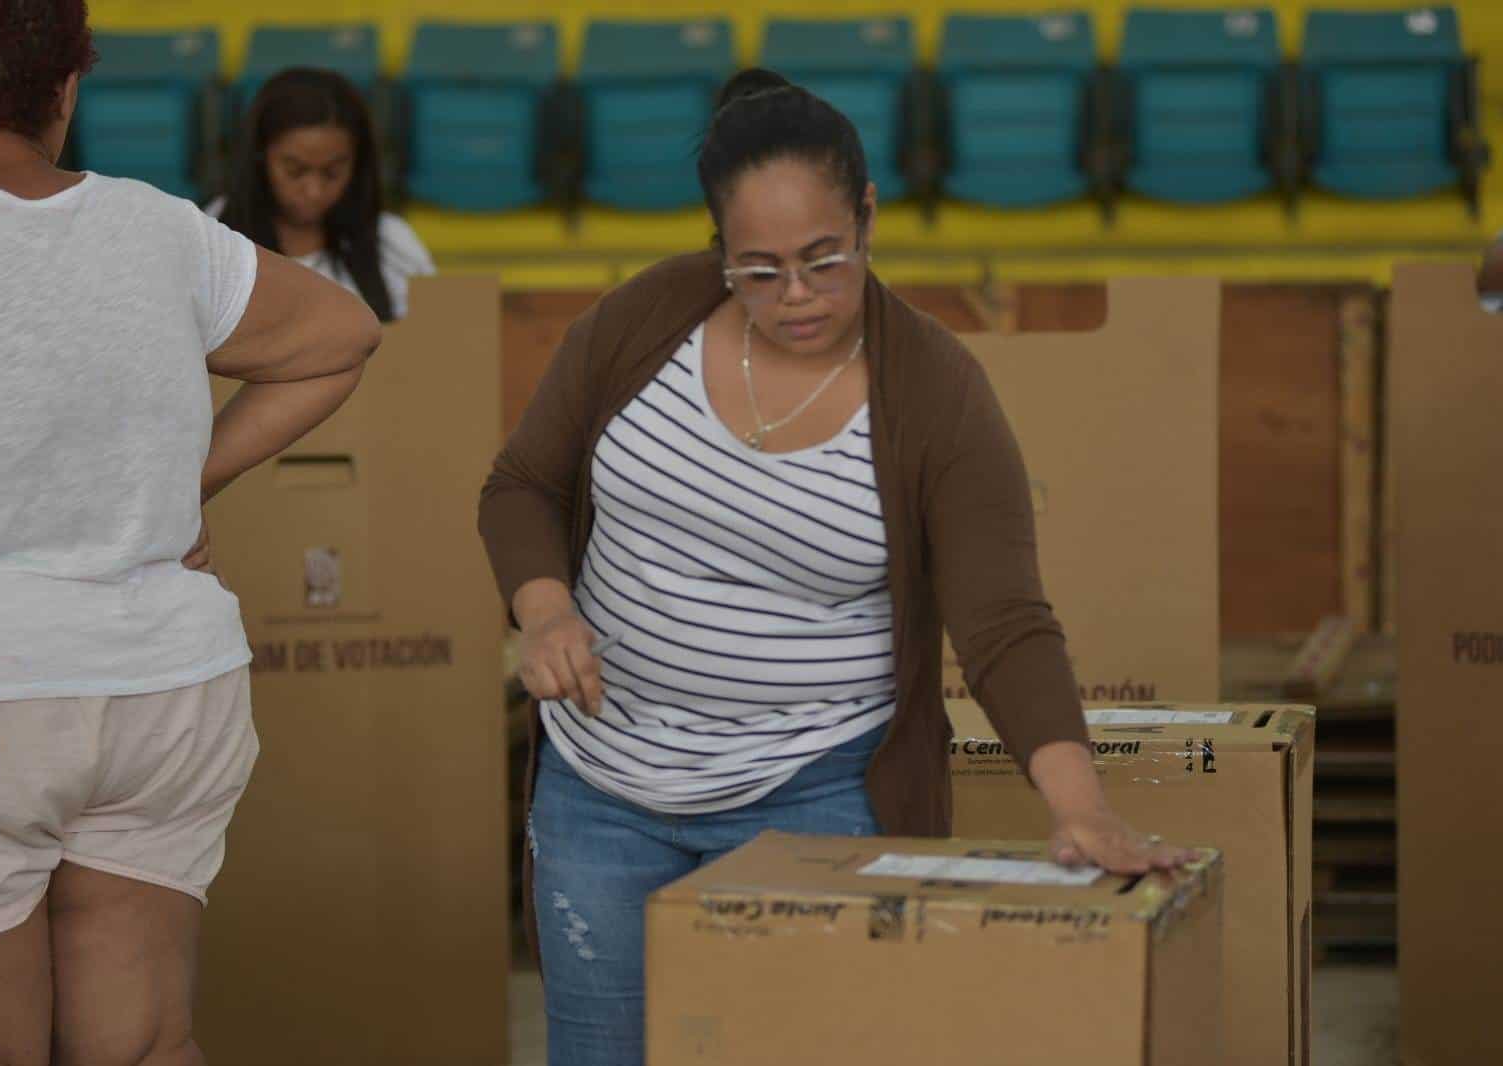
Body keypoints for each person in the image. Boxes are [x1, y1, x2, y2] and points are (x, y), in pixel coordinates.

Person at [478, 69, 1192, 1066]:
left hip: (814, 794)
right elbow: (522, 486)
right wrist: (547, 608)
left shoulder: (936, 392)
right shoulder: (641, 324)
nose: (799, 297)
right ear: (717, 246)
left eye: (824, 258)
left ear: (867, 213)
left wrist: (1080, 807)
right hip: (600, 786)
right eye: (759, 270)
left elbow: (1004, 624)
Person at [0, 2, 381, 1063]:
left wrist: (178, 475)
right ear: (70, 85)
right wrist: (188, 478)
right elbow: (343, 336)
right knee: (143, 1042)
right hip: (163, 686)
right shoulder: (162, 229)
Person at [212, 67, 435, 322]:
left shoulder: (392, 243)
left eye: (332, 172)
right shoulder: (215, 236)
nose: (314, 191)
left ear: (358, 164)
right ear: (259, 157)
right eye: (295, 171)